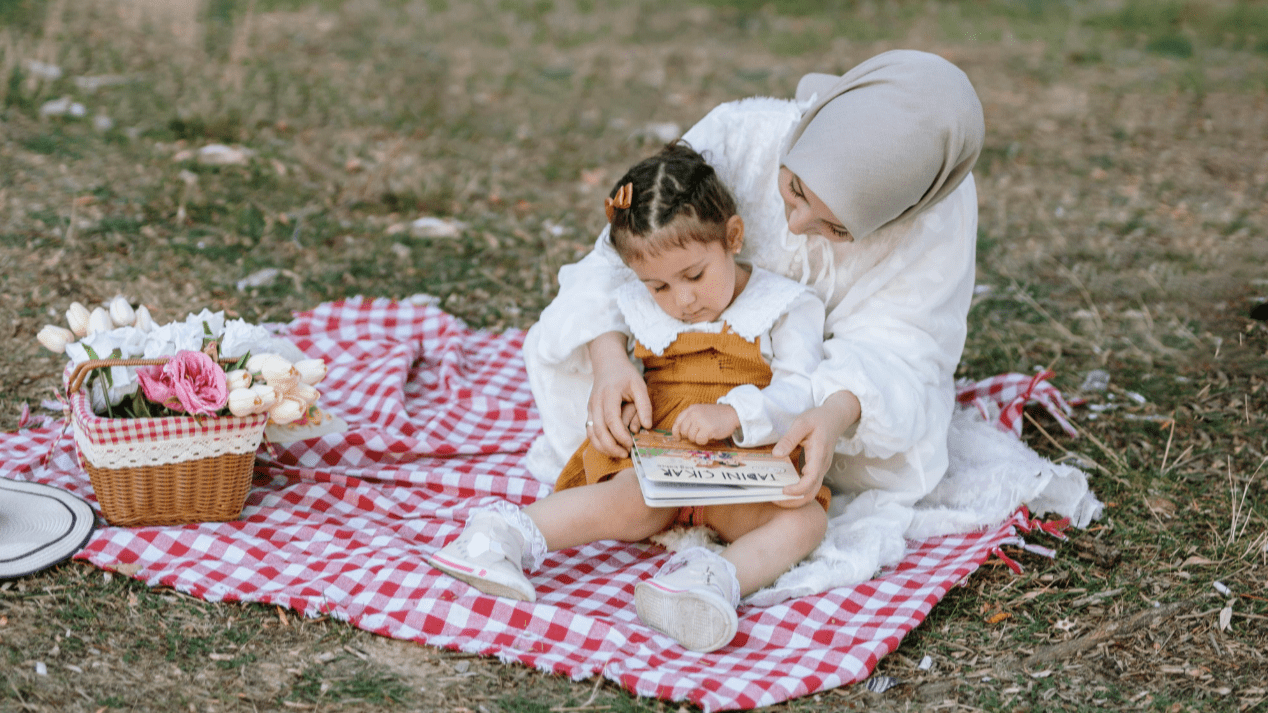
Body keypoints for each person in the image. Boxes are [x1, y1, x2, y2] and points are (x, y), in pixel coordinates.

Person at [521, 50, 987, 598]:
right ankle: (516, 534)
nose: (794, 224)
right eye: (793, 190)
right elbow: (617, 263)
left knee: (819, 501)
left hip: (793, 403)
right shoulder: (743, 136)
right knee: (630, 485)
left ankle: (706, 587)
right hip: (669, 381)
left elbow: (906, 347)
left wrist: (833, 413)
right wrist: (607, 358)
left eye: (836, 229)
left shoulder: (934, 222)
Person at [429, 142, 829, 653]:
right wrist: (611, 362)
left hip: (742, 465)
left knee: (806, 518)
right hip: (660, 458)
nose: (681, 301)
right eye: (658, 286)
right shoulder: (641, 305)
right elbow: (592, 321)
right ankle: (500, 535)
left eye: (694, 276)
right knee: (630, 503)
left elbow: (804, 389)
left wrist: (735, 412)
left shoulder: (785, 306)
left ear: (732, 237)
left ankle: (708, 582)